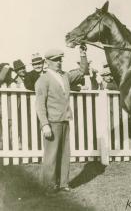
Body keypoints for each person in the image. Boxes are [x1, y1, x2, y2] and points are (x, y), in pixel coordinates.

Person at [35, 45, 88, 195]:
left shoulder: (65, 76)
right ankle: (49, 186)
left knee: (65, 154)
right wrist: (45, 125)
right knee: (51, 155)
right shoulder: (43, 80)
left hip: (64, 120)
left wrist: (82, 55)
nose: (59, 62)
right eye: (55, 60)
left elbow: (82, 72)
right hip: (52, 122)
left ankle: (63, 183)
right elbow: (39, 104)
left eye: (60, 60)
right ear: (48, 62)